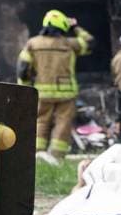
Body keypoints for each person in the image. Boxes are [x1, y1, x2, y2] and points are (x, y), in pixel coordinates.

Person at [18, 9, 92, 163]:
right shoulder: (70, 43)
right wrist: (75, 27)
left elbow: (23, 69)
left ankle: (37, 155)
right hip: (66, 93)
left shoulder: (32, 43)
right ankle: (56, 158)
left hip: (42, 93)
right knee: (63, 123)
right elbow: (90, 42)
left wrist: (24, 89)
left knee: (41, 121)